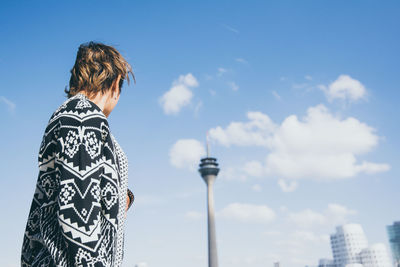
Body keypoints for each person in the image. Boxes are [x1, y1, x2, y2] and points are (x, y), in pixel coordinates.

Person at [21, 41, 135, 267]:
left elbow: (50, 199)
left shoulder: (70, 116)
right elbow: (77, 212)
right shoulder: (83, 118)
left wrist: (123, 197)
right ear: (115, 83)